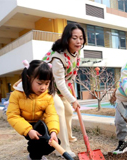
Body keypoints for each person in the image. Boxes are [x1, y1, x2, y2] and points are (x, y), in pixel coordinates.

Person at [42, 22, 86, 158]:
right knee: (59, 109)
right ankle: (62, 148)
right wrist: (73, 99)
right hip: (47, 88)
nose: (78, 41)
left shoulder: (75, 53)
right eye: (74, 38)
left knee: (68, 111)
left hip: (60, 88)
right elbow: (60, 82)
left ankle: (68, 136)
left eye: (81, 38)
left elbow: (70, 78)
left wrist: (72, 97)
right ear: (67, 38)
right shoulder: (58, 56)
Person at [6, 60, 60, 160]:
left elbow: (51, 115)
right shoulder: (16, 95)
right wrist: (28, 130)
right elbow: (13, 115)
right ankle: (34, 156)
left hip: (41, 124)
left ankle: (36, 155)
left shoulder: (47, 96)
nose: (43, 87)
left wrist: (53, 131)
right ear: (28, 78)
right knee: (35, 142)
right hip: (25, 124)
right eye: (39, 83)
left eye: (47, 83)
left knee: (54, 142)